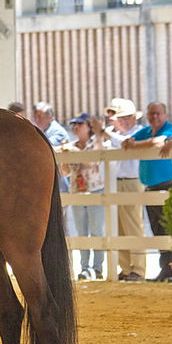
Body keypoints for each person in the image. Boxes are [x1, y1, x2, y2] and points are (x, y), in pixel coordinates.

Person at [122, 101, 172, 282]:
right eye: (152, 114)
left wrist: (135, 145)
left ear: (165, 115)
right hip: (150, 187)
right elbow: (131, 140)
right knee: (158, 229)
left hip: (168, 185)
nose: (155, 117)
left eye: (158, 113)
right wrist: (131, 142)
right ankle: (166, 268)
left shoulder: (171, 128)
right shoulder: (145, 131)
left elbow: (158, 142)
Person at [90, 98, 147, 281]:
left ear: (131, 118)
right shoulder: (113, 134)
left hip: (131, 181)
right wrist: (102, 134)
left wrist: (103, 132)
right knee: (118, 227)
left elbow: (124, 143)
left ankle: (138, 268)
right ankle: (126, 267)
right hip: (115, 182)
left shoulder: (137, 133)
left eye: (119, 117)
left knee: (132, 226)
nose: (116, 120)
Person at [61, 113, 109, 280]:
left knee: (96, 230)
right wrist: (65, 159)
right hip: (77, 190)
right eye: (74, 125)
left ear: (88, 127)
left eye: (79, 125)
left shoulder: (94, 144)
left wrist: (71, 152)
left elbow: (92, 162)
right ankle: (84, 268)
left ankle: (97, 267)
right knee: (81, 231)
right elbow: (65, 172)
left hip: (94, 189)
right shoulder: (72, 145)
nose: (75, 128)